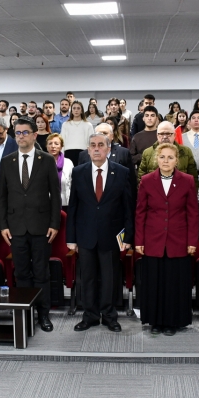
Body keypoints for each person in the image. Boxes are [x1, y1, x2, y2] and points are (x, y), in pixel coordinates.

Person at [0, 118, 61, 332]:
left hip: (42, 226)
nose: (21, 136)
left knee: (42, 272)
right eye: (18, 133)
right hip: (15, 227)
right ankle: (25, 313)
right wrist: (3, 224)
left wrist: (55, 222)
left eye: (25, 132)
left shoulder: (47, 160)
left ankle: (43, 315)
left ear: (35, 135)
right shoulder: (7, 161)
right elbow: (2, 197)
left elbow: (55, 195)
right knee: (21, 273)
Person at [67, 133, 134, 333]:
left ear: (108, 149)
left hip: (111, 235)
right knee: (87, 278)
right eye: (93, 145)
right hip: (85, 235)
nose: (96, 149)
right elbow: (73, 207)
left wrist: (128, 237)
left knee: (110, 278)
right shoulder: (79, 172)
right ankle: (90, 316)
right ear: (88, 150)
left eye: (100, 145)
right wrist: (71, 238)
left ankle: (110, 316)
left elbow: (128, 207)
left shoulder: (121, 172)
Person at [135, 143, 199, 336]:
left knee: (174, 283)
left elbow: (193, 214)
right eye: (162, 157)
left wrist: (192, 241)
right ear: (156, 159)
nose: (166, 161)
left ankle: (173, 321)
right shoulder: (146, 180)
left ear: (176, 160)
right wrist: (139, 240)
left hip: (178, 239)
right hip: (152, 238)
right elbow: (140, 213)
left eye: (170, 157)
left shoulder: (187, 180)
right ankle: (155, 321)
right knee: (153, 282)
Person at [78, 122, 137, 203]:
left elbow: (131, 183)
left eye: (105, 133)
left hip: (116, 205)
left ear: (112, 136)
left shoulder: (123, 153)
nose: (102, 136)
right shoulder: (84, 155)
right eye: (99, 133)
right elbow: (79, 185)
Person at [138, 121, 198, 188]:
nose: (164, 137)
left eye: (168, 134)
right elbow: (141, 179)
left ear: (174, 135)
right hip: (154, 195)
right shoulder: (147, 153)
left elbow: (193, 179)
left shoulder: (186, 151)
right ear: (157, 135)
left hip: (180, 194)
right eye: (161, 134)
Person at [60, 101, 94, 167]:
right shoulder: (65, 124)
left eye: (78, 108)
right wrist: (61, 156)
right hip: (68, 153)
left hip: (84, 153)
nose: (76, 110)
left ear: (82, 111)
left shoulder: (88, 125)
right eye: (74, 108)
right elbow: (62, 141)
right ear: (71, 110)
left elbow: (91, 142)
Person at [46, 133, 73, 208]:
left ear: (61, 147)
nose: (53, 146)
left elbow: (72, 183)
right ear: (46, 146)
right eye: (50, 143)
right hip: (46, 204)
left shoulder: (68, 163)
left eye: (56, 144)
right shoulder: (40, 162)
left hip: (65, 203)